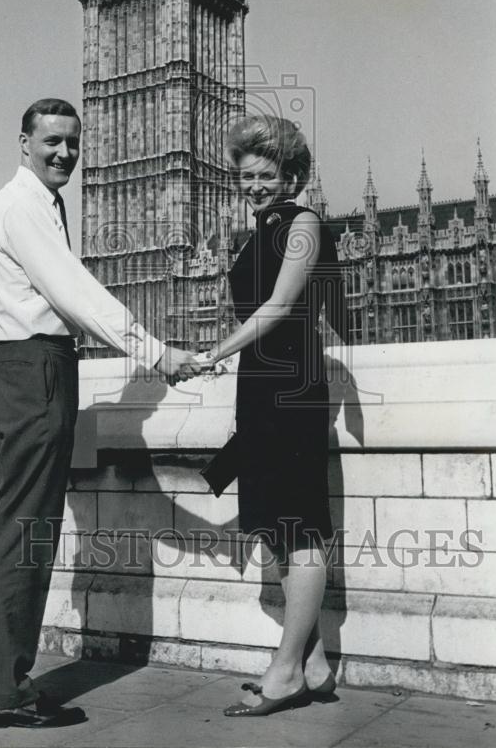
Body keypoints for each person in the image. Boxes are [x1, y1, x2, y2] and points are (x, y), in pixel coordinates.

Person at [0, 98, 199, 729]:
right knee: (26, 533)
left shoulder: (31, 203)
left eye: (73, 142)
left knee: (9, 528)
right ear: (24, 144)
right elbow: (77, 294)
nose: (65, 153)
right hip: (33, 370)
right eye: (52, 142)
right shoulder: (23, 207)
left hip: (12, 371)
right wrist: (154, 352)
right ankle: (6, 695)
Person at [200, 115, 346, 718]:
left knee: (302, 527)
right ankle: (312, 664)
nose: (255, 185)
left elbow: (283, 306)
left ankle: (284, 674)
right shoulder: (260, 230)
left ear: (292, 175)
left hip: (292, 385)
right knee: (279, 528)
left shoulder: (305, 224)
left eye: (266, 175)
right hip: (263, 386)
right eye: (246, 176)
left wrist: (211, 353)